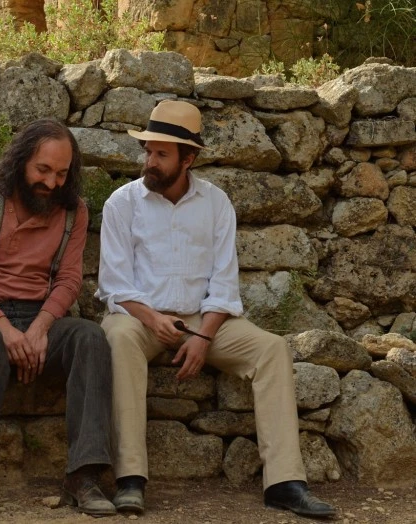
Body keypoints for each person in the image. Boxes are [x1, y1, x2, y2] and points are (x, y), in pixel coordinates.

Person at [95, 100, 337, 518]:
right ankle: (130, 479)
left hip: (203, 320)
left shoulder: (216, 203)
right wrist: (153, 319)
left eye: (161, 154)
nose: (149, 162)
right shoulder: (122, 203)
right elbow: (115, 285)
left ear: (188, 159)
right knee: (117, 338)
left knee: (272, 349)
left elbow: (224, 282)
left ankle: (284, 483)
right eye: (148, 151)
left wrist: (204, 335)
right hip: (140, 317)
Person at [0, 118, 115, 522]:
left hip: (43, 320)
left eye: (61, 173)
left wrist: (39, 329)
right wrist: (4, 328)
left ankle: (84, 477)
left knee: (91, 337)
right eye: (43, 169)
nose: (52, 182)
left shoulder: (73, 212)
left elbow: (69, 280)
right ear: (21, 160)